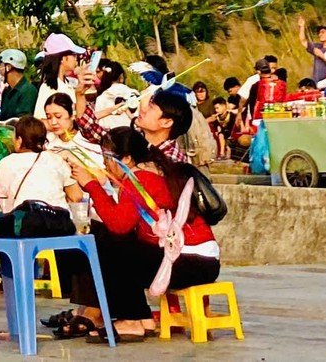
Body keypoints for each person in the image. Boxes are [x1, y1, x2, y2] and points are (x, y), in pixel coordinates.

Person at [58, 92, 220, 342]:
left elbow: (120, 225)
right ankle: (127, 315)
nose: (143, 108)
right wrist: (81, 94)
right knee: (105, 237)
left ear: (127, 158)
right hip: (190, 255)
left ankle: (129, 319)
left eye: (152, 106)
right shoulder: (148, 162)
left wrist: (92, 185)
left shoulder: (149, 170)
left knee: (112, 242)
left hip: (189, 259)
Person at [0, 117, 80, 222]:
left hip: (24, 224)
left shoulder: (5, 163)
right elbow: (76, 196)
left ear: (19, 140)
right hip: (59, 223)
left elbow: (3, 200)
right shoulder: (56, 159)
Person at [34, 34, 84, 118]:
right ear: (63, 59)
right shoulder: (49, 89)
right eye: (74, 55)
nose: (76, 59)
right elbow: (41, 121)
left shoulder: (66, 84)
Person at [91, 60, 141, 130]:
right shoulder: (134, 94)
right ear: (121, 77)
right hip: (133, 136)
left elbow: (99, 124)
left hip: (111, 138)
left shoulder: (101, 98)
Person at [0, 48, 37, 119]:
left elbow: (23, 121)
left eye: (1, 65)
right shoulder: (7, 91)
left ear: (8, 67)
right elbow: (3, 117)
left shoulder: (28, 91)